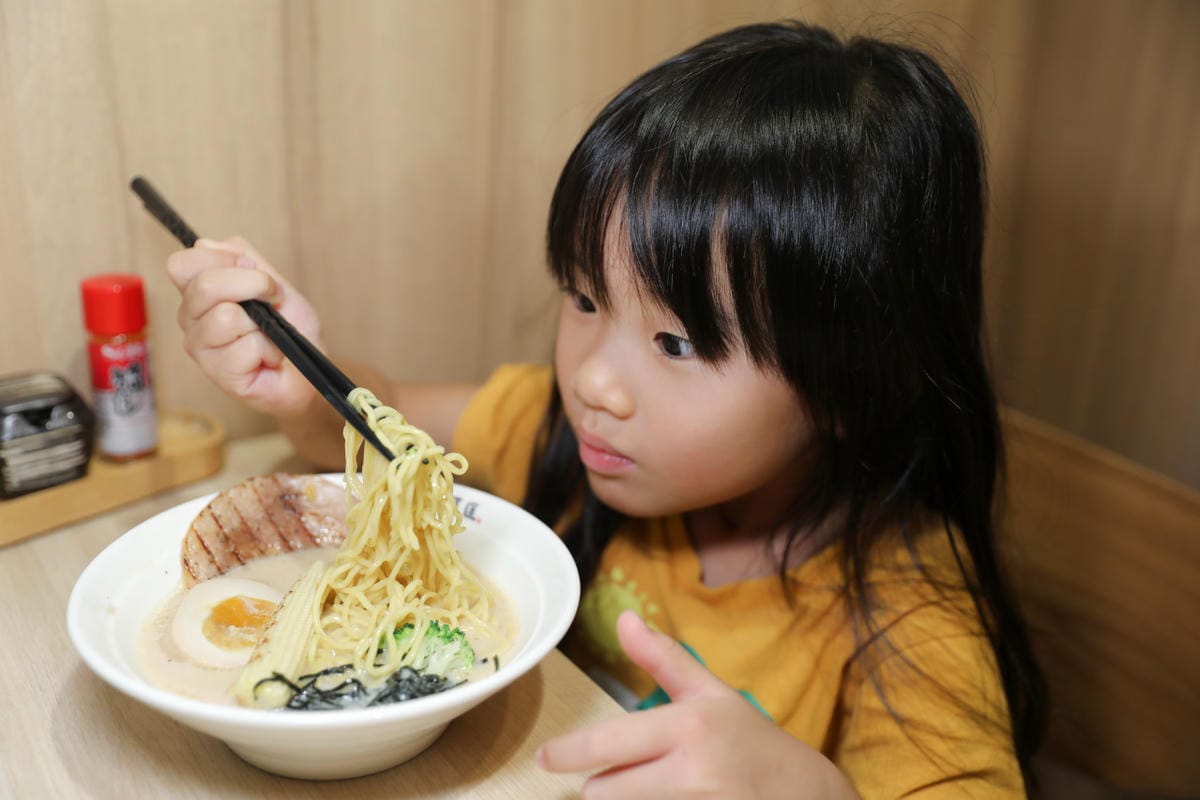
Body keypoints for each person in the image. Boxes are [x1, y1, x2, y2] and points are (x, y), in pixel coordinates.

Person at [166, 20, 1044, 798]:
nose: (593, 382)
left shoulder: (908, 615)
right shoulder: (558, 429)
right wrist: (293, 376)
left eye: (677, 344)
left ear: (853, 383)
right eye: (585, 298)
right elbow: (376, 419)